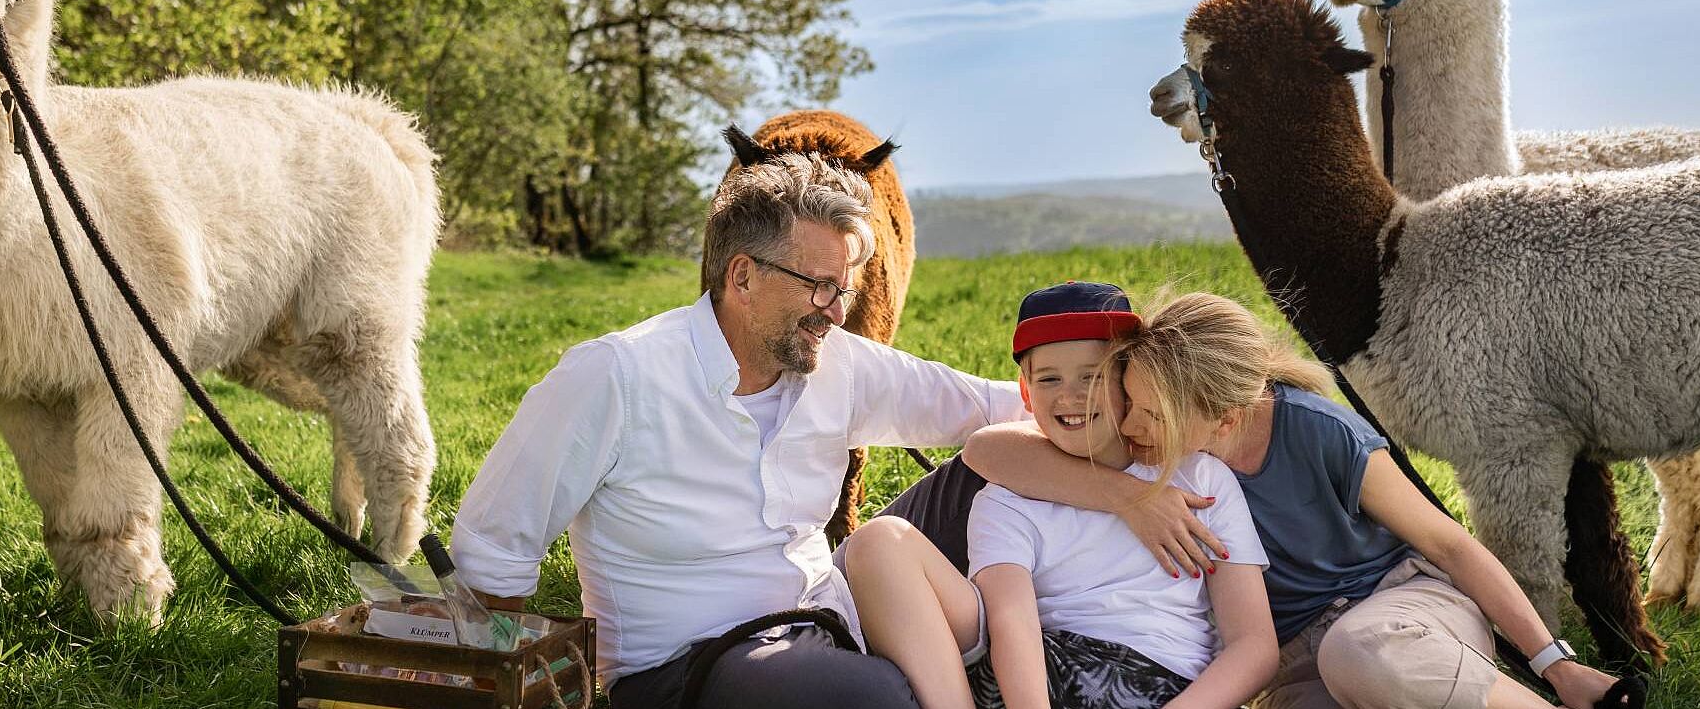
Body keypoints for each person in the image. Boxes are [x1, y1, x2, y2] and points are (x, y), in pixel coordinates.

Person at [450, 151, 1028, 709]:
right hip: (694, 664)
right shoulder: (614, 375)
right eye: (819, 286)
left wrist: (1087, 409)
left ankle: (1042, 643)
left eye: (843, 289)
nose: (836, 312)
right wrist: (499, 681)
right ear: (744, 276)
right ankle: (949, 674)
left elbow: (996, 407)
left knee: (996, 463)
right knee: (865, 697)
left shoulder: (840, 362)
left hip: (833, 604)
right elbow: (494, 547)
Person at [956, 292, 1631, 709]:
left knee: (1363, 653)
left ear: (1222, 418)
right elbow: (988, 450)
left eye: (1149, 414)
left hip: (1397, 607)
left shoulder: (1320, 432)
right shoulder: (1158, 453)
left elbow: (1449, 544)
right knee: (1339, 665)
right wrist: (1126, 495)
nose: (1128, 424)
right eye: (1128, 400)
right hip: (1294, 655)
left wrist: (1557, 664)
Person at [841, 282, 1278, 709]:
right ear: (1026, 393)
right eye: (1050, 379)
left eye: (1092, 376)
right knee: (879, 540)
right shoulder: (1007, 498)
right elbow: (1011, 620)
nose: (1070, 396)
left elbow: (1253, 644)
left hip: (1167, 684)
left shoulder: (1200, 478)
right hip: (1045, 675)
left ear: (1129, 381)